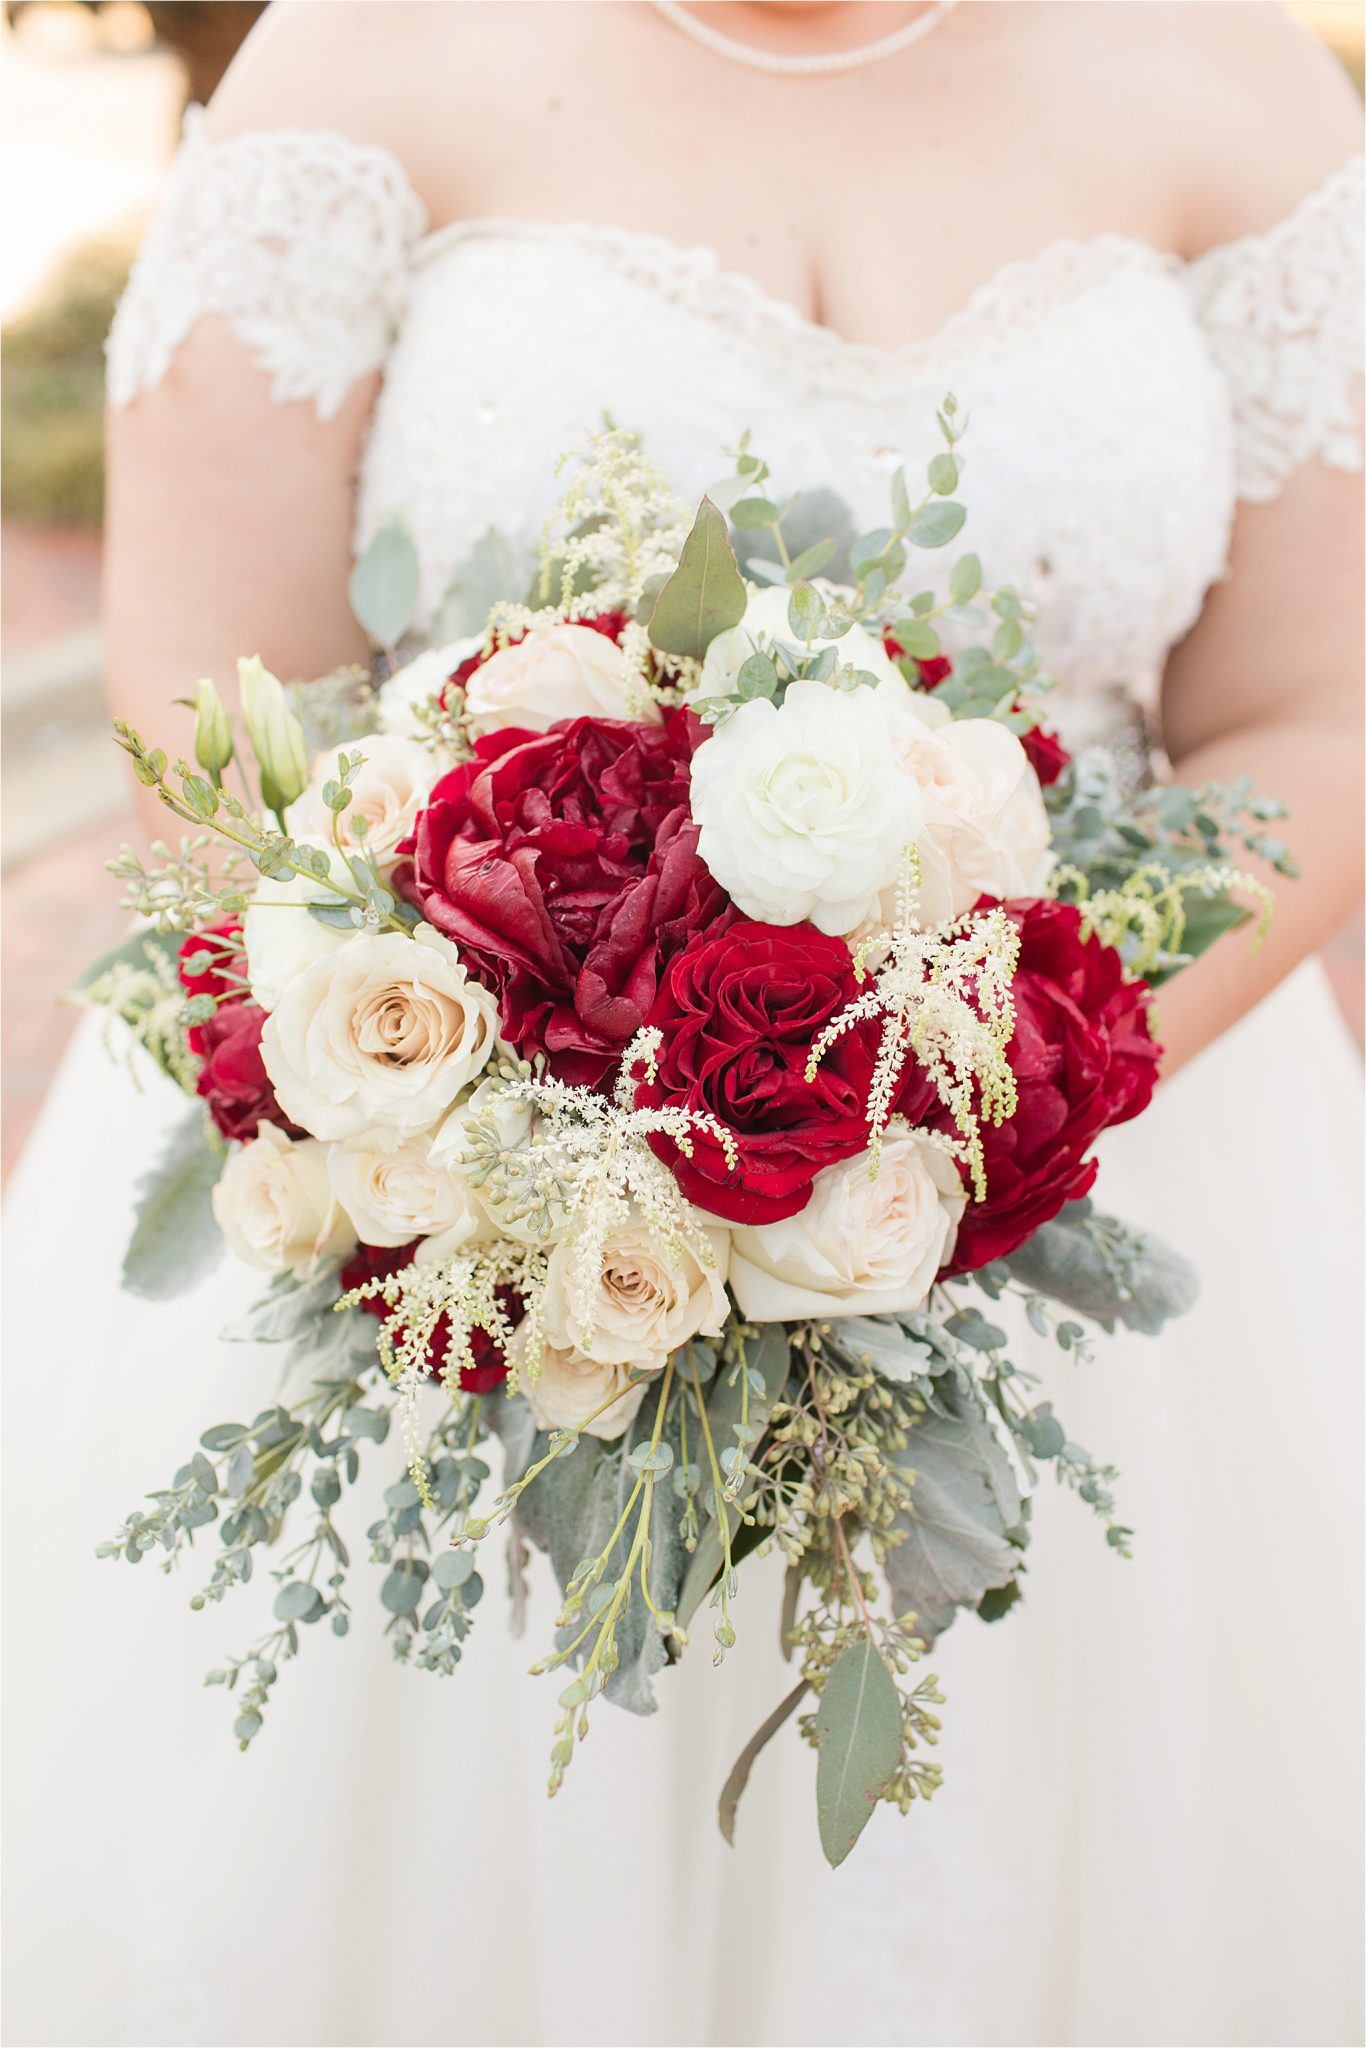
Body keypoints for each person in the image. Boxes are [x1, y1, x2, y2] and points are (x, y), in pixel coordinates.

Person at [3, 4, 1361, 2042]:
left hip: (1102, 1195)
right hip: (463, 1239)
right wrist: (519, 1138)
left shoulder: (1233, 78)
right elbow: (219, 744)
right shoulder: (358, 65)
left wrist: (976, 1101)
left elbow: (1313, 711)